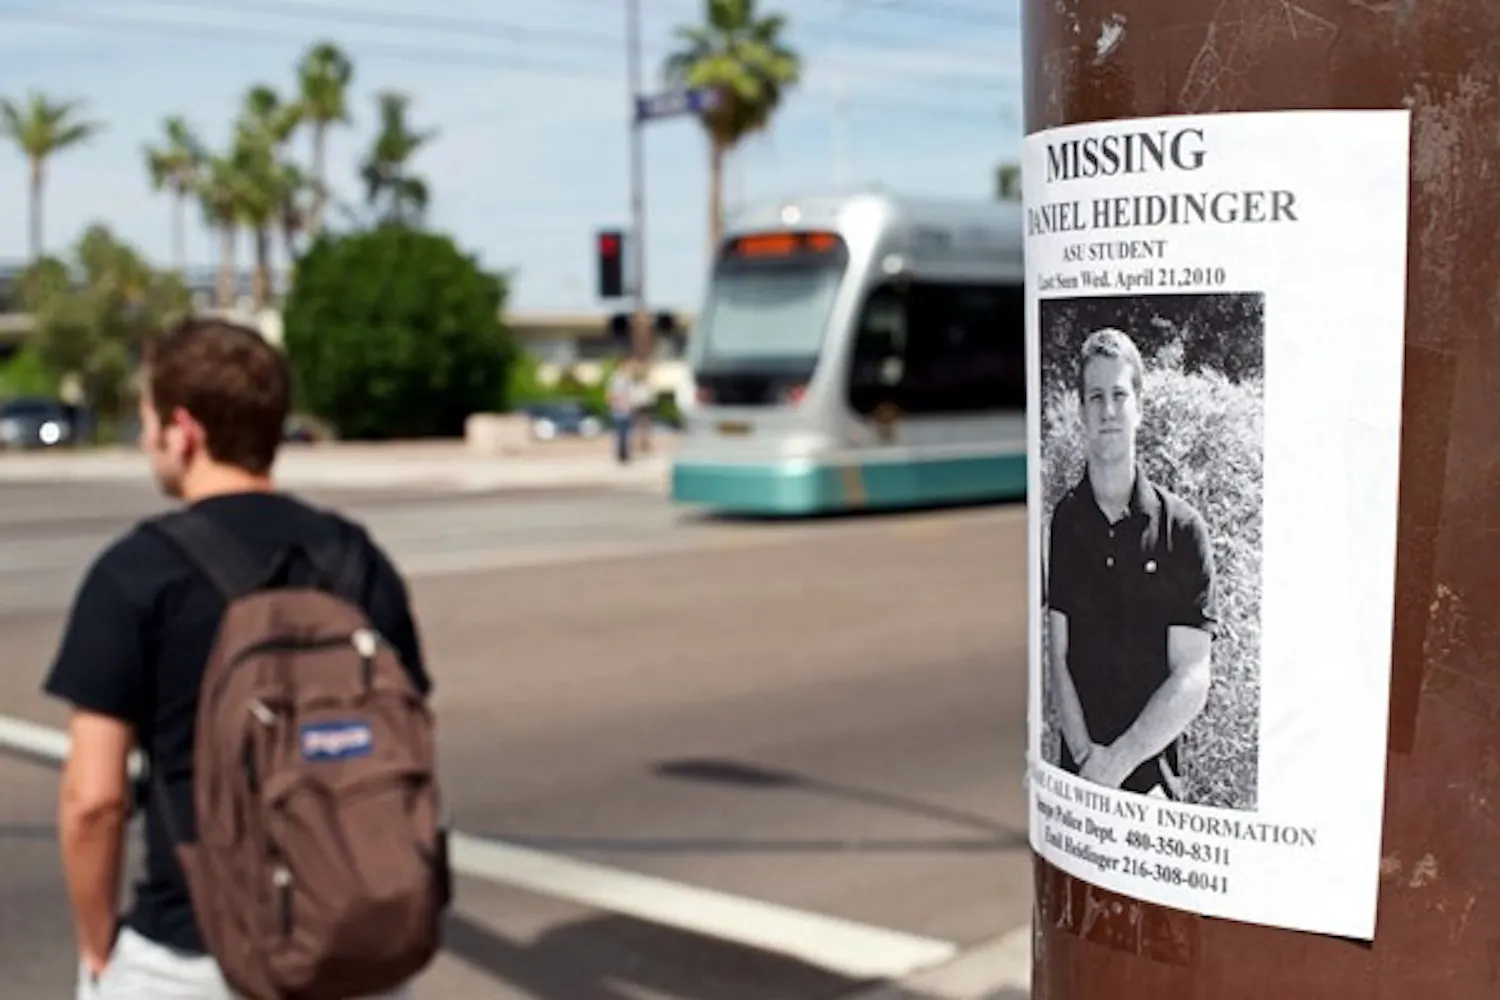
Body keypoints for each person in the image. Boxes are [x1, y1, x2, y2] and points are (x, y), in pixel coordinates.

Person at [43, 317, 430, 999]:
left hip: (196, 954)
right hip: (348, 949)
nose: (144, 441)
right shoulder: (355, 559)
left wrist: (95, 942)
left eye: (147, 421)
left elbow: (93, 800)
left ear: (182, 430)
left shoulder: (136, 573)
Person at [1045, 327, 1217, 800]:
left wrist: (1116, 764)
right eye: (1095, 396)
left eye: (1119, 394)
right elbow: (1058, 653)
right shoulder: (1065, 521)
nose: (1107, 410)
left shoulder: (1182, 529)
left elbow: (1193, 675)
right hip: (1079, 779)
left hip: (1154, 796)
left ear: (1139, 406)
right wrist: (1085, 762)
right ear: (1080, 410)